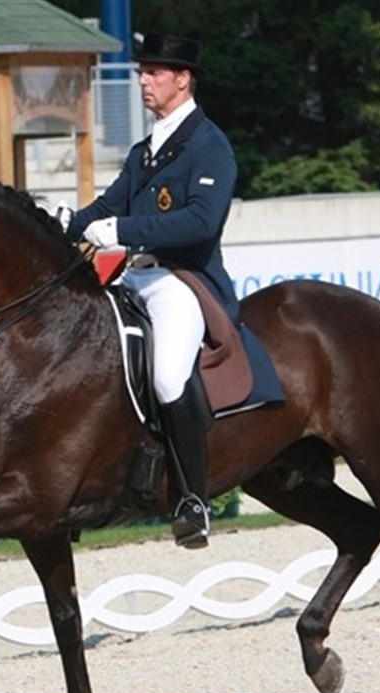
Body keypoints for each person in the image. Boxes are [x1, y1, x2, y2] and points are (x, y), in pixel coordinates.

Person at [66, 32, 281, 550]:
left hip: (182, 281)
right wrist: (61, 223)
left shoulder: (209, 145)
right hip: (135, 276)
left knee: (166, 376)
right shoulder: (145, 150)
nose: (143, 80)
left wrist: (122, 231)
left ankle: (192, 500)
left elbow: (200, 222)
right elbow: (107, 207)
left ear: (182, 80)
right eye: (142, 71)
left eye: (154, 72)